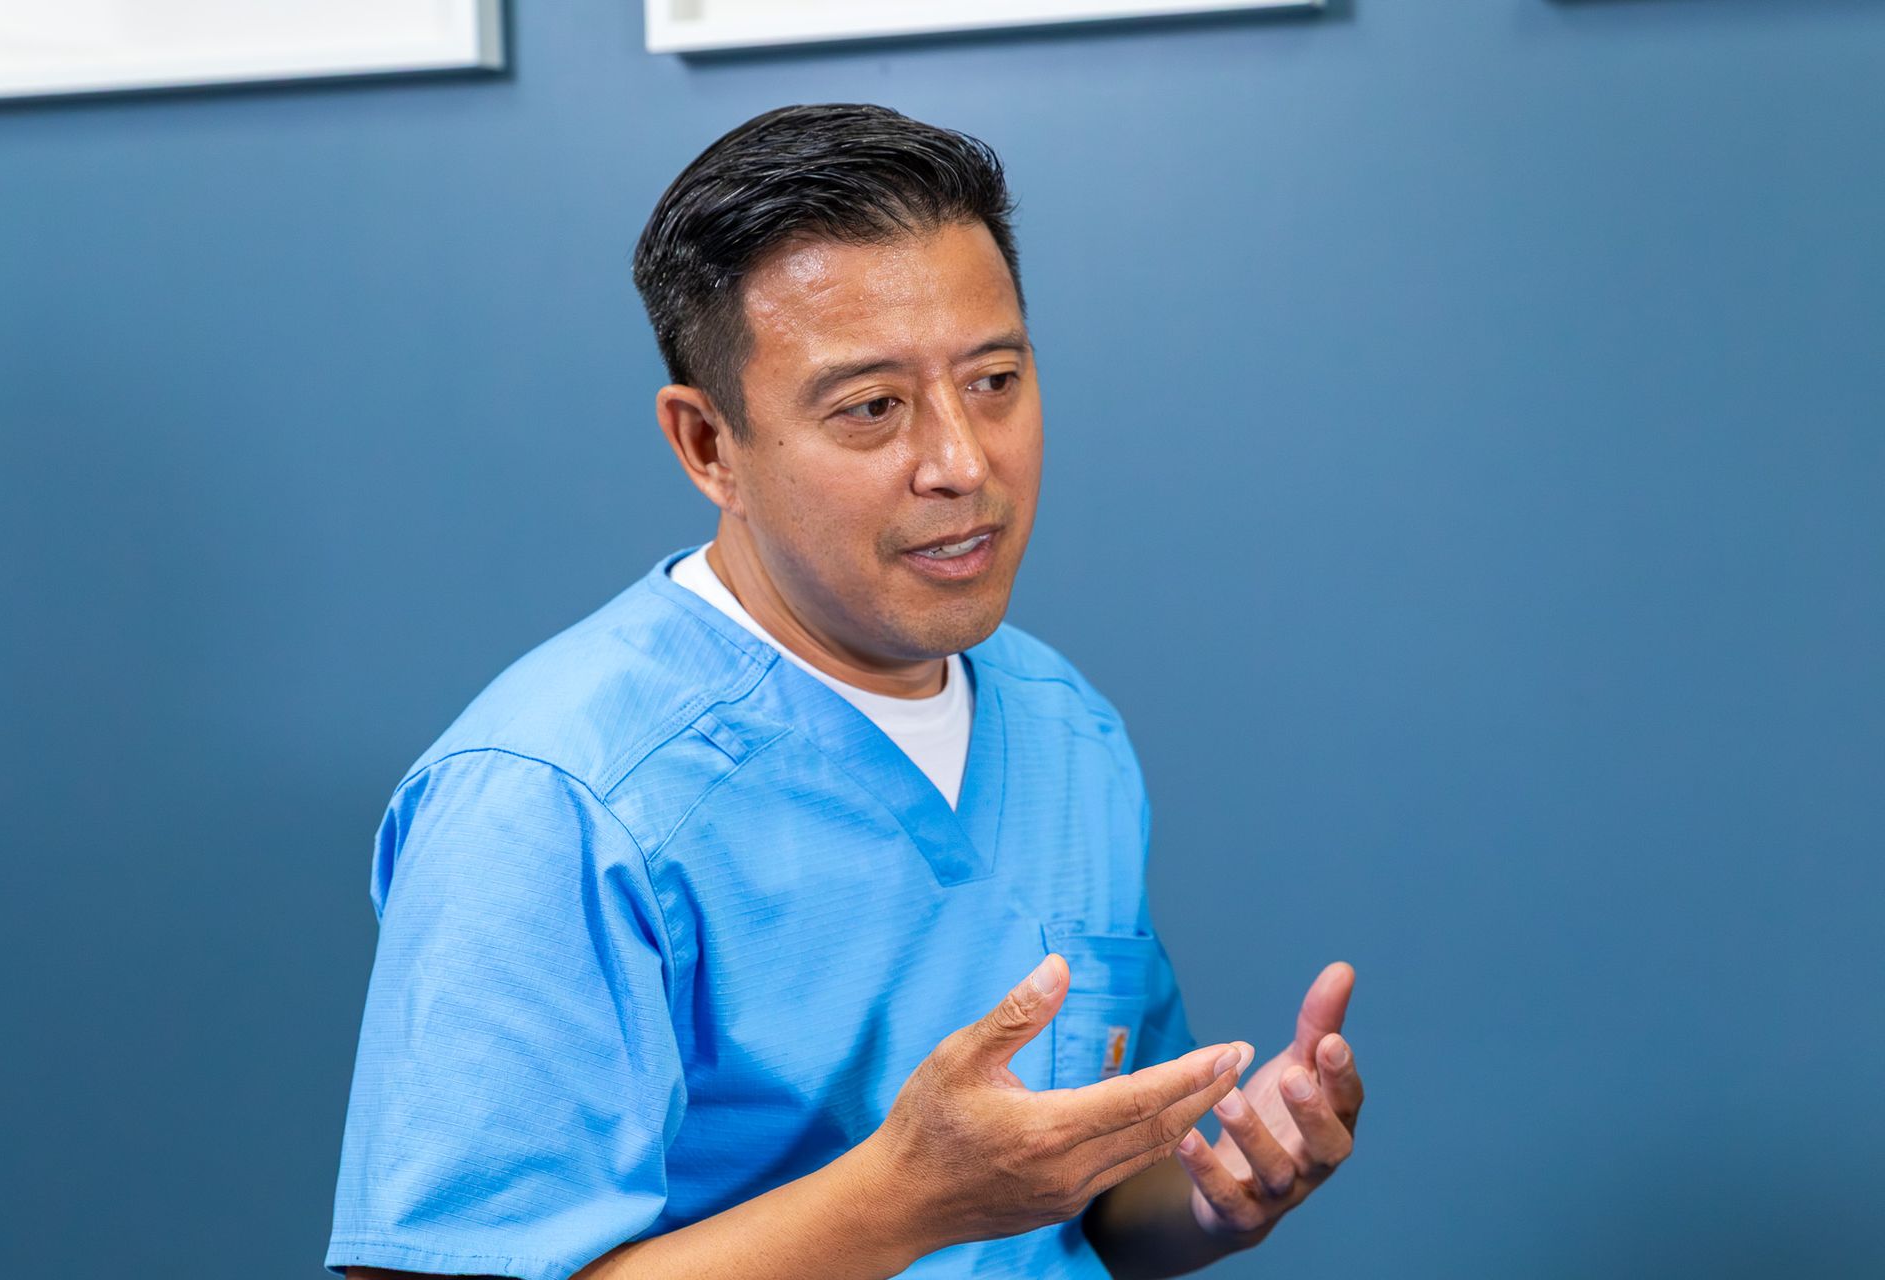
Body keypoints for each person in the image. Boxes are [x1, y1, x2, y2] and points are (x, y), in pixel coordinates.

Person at [325, 103, 1364, 1280]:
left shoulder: (1064, 722)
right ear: (709, 444)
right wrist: (902, 1197)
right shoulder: (553, 799)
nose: (962, 462)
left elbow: (1098, 1197)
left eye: (995, 379)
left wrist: (1222, 1192)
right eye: (872, 407)